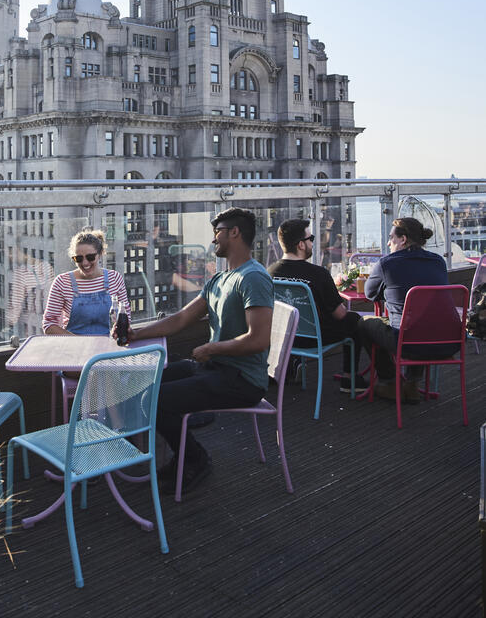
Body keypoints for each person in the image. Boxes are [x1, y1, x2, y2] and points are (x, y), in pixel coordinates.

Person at [120, 208, 273, 495]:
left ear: (234, 232)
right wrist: (136, 334)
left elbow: (259, 339)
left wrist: (212, 348)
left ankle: (194, 459)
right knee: (148, 381)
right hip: (216, 368)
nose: (214, 239)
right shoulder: (220, 278)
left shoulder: (253, 278)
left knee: (157, 400)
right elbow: (180, 319)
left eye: (218, 232)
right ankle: (186, 447)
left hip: (242, 379)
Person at [267, 218, 364, 392]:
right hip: (313, 339)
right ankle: (350, 379)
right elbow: (340, 315)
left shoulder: (269, 272)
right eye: (310, 238)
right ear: (301, 245)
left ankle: (293, 361)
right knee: (354, 319)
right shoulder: (318, 274)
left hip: (282, 338)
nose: (313, 242)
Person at [359, 217, 449, 403]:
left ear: (403, 239)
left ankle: (389, 381)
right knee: (421, 320)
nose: (388, 242)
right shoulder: (439, 262)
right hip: (446, 340)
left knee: (365, 323)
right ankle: (412, 384)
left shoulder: (387, 264)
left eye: (391, 237)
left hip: (407, 342)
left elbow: (370, 294)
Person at [42, 229, 130, 335]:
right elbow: (49, 325)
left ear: (100, 254)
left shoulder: (115, 278)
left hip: (109, 345)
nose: (85, 263)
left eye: (90, 257)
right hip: (75, 347)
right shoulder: (62, 282)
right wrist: (79, 343)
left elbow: (126, 316)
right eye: (78, 258)